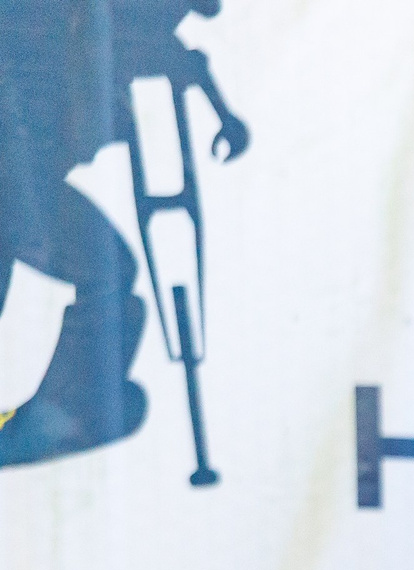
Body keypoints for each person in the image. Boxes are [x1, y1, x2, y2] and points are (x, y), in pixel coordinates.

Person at [0, 0, 248, 467]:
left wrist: (224, 118)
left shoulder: (126, 31)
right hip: (15, 178)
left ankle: (60, 414)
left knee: (109, 271)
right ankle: (59, 416)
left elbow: (180, 61)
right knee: (105, 271)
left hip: (28, 180)